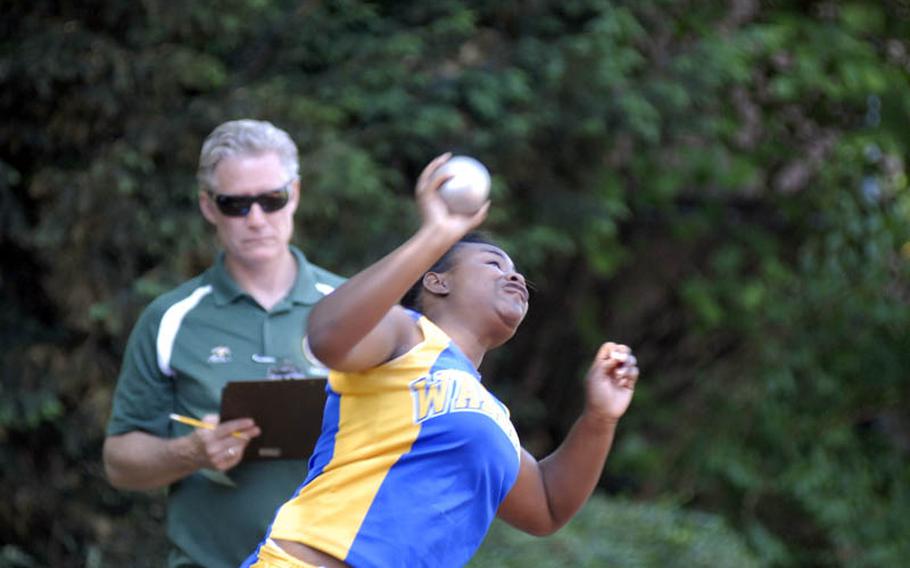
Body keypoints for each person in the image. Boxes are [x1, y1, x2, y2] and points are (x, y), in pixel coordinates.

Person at [242, 153, 640, 567]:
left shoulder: (493, 416)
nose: (516, 276)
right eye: (493, 263)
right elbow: (327, 336)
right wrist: (435, 234)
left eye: (518, 272)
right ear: (436, 280)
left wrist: (598, 419)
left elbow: (547, 506)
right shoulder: (404, 333)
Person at [103, 119, 345, 568]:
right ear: (208, 207)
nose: (256, 219)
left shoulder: (353, 307)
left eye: (272, 200)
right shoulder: (171, 318)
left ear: (295, 193)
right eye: (235, 204)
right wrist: (190, 451)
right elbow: (120, 463)